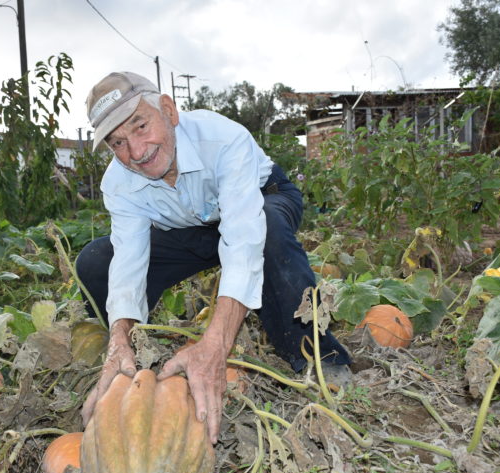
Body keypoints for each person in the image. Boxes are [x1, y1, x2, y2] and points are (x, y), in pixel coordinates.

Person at [76, 71, 351, 444]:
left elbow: (242, 239)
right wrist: (119, 337)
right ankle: (134, 359)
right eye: (118, 143)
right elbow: (127, 261)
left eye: (141, 126)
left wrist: (215, 347)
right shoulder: (119, 183)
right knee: (96, 260)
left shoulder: (223, 139)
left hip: (261, 198)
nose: (136, 152)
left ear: (169, 111)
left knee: (266, 228)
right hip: (191, 228)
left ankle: (317, 357)